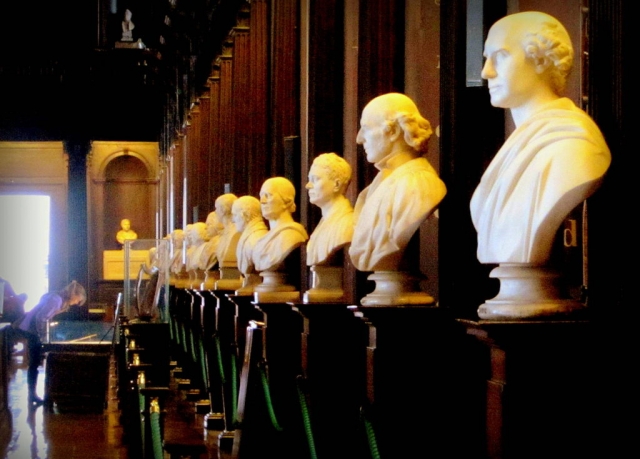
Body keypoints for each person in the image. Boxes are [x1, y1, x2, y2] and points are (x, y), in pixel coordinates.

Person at [470, 11, 611, 266]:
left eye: (501, 56)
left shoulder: (573, 146)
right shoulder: (519, 145)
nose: (486, 72)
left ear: (541, 59)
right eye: (486, 58)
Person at [348, 92, 447, 273]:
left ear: (392, 131)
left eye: (366, 128)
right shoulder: (378, 185)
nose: (359, 138)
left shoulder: (419, 185)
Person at [12, 281, 87, 405]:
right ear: (74, 294)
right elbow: (41, 318)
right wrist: (42, 337)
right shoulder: (56, 300)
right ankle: (32, 395)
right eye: (77, 300)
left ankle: (33, 395)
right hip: (32, 331)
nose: (76, 303)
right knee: (34, 364)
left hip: (33, 331)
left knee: (34, 364)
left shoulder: (57, 298)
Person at [305, 152, 354, 266]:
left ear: (336, 184)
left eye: (315, 179)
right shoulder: (325, 222)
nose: (308, 185)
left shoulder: (347, 224)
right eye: (309, 179)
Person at [252, 177, 308, 273]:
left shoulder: (291, 236)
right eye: (261, 196)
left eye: (268, 195)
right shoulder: (264, 238)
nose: (262, 201)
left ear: (287, 201)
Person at [231, 195, 269, 287]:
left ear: (244, 214)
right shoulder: (249, 237)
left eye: (234, 215)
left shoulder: (257, 238)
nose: (233, 220)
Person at [214, 193, 241, 269]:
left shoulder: (236, 232)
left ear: (223, 210)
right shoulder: (225, 232)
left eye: (217, 208)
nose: (215, 212)